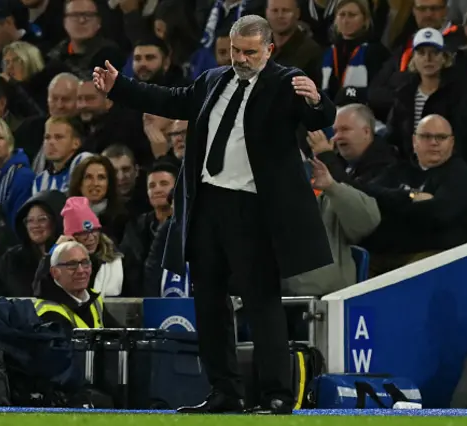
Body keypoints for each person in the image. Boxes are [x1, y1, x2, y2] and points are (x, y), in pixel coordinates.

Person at [93, 14, 336, 415]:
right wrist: (120, 86)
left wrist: (316, 100)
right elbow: (171, 100)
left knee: (262, 303)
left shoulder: (283, 81)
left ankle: (276, 394)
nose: (241, 58)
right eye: (236, 51)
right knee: (208, 302)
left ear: (269, 49)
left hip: (253, 209)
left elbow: (316, 116)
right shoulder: (212, 80)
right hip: (206, 206)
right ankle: (225, 391)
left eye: (250, 52)